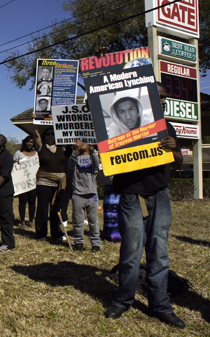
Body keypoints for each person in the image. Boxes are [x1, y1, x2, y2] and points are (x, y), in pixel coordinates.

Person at [104, 82, 185, 329]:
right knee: (131, 250)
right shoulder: (113, 131)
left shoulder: (165, 128)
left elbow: (178, 163)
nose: (161, 101)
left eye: (163, 98)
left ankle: (160, 304)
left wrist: (173, 151)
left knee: (158, 251)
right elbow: (98, 107)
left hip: (158, 194)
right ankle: (123, 299)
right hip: (131, 196)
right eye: (157, 96)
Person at [33, 127, 66, 242]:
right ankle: (41, 233)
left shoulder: (62, 147)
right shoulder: (41, 148)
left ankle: (56, 233)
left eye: (53, 134)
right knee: (43, 207)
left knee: (56, 208)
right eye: (47, 134)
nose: (50, 136)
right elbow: (36, 135)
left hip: (60, 183)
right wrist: (36, 124)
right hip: (44, 181)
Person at [67, 140, 101, 252]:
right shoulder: (75, 157)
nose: (81, 143)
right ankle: (78, 243)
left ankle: (96, 244)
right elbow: (70, 165)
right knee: (77, 221)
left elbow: (97, 165)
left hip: (92, 194)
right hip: (78, 194)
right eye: (78, 142)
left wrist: (94, 150)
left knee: (93, 221)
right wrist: (75, 151)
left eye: (84, 142)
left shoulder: (92, 157)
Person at [14, 135, 38, 229]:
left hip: (33, 182)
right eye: (28, 142)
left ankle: (31, 221)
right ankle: (22, 221)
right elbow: (14, 166)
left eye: (31, 142)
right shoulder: (18, 153)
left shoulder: (36, 153)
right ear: (24, 143)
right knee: (22, 201)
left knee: (32, 201)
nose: (29, 144)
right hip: (22, 182)